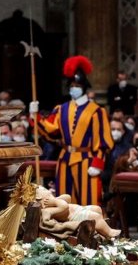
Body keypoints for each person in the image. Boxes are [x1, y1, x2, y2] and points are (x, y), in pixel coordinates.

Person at [33, 55, 113, 206]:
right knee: (64, 201)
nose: (73, 89)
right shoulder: (61, 109)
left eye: (77, 86)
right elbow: (51, 132)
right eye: (71, 86)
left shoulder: (96, 111)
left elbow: (102, 142)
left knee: (88, 202)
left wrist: (97, 163)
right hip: (64, 159)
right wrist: (35, 117)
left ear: (83, 87)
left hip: (86, 160)